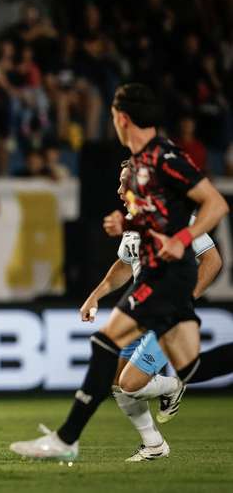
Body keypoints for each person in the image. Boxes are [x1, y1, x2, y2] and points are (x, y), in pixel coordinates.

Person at [10, 83, 230, 461]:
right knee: (190, 367)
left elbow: (215, 203)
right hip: (157, 282)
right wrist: (131, 229)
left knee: (104, 345)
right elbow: (132, 256)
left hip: (167, 281)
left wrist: (186, 237)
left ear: (121, 118)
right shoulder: (143, 168)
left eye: (112, 117)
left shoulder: (164, 157)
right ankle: (153, 442)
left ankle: (66, 440)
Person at [78, 161, 222, 461]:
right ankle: (154, 444)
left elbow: (212, 260)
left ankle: (175, 384)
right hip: (139, 309)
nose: (118, 190)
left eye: (123, 183)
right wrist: (95, 296)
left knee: (131, 384)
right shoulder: (133, 222)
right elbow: (124, 265)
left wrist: (187, 297)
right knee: (117, 382)